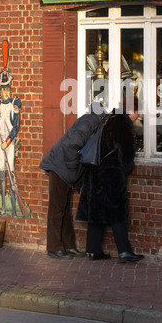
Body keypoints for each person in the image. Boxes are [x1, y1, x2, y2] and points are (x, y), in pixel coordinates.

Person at [76, 96, 144, 263]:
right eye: (137, 111)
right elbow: (125, 152)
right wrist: (127, 167)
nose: (139, 115)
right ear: (130, 110)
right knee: (117, 212)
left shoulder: (108, 119)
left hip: (95, 172)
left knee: (97, 212)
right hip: (111, 174)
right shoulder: (123, 123)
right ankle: (124, 251)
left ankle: (92, 250)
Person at [39, 102, 105, 259]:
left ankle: (69, 246)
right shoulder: (89, 123)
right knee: (57, 210)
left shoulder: (91, 122)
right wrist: (73, 174)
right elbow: (71, 147)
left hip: (63, 169)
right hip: (59, 168)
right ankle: (54, 248)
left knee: (65, 210)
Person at [0, 70, 21, 217]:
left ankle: (14, 209)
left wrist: (7, 142)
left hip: (9, 142)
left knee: (11, 174)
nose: (5, 92)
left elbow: (16, 127)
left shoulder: (14, 104)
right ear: (0, 91)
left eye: (7, 89)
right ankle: (3, 207)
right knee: (2, 173)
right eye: (3, 90)